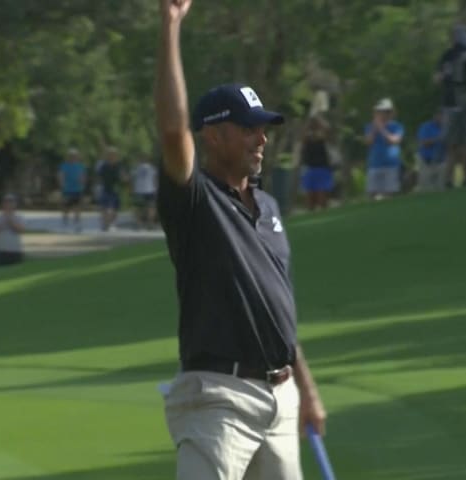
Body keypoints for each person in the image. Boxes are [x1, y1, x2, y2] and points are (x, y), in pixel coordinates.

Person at [154, 1, 326, 479]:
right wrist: (170, 25)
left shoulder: (268, 208)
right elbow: (172, 130)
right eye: (249, 128)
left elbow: (277, 309)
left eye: (264, 129)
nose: (261, 139)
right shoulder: (194, 202)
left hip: (281, 396)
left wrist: (306, 390)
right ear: (213, 135)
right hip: (219, 399)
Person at [436, 24, 466, 186]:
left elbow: (438, 78)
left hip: (451, 103)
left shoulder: (449, 55)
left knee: (451, 145)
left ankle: (449, 180)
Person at [364, 98, 404, 199]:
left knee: (389, 195)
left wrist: (381, 128)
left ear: (390, 113)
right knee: (372, 194)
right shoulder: (370, 127)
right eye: (379, 111)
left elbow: (393, 141)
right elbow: (368, 142)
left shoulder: (396, 126)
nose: (380, 114)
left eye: (384, 111)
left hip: (391, 165)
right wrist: (374, 128)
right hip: (374, 164)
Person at [300, 115, 334, 210]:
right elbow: (303, 134)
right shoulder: (307, 138)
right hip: (310, 169)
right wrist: (309, 122)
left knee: (322, 199)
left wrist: (319, 120)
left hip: (323, 168)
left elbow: (328, 130)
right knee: (309, 199)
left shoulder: (322, 138)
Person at [0, 193, 26, 266]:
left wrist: (11, 221)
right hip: (1, 250)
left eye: (11, 202)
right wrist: (4, 221)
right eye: (6, 202)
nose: (8, 204)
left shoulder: (19, 217)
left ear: (15, 204)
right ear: (3, 204)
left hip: (15, 250)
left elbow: (21, 231)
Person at [416, 109, 446, 191]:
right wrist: (438, 139)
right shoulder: (426, 127)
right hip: (426, 161)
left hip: (442, 161)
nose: (442, 118)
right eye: (440, 116)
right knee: (426, 188)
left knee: (441, 188)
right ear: (435, 116)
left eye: (444, 116)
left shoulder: (447, 128)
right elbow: (423, 143)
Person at [97, 146, 127, 231]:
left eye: (113, 154)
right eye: (110, 154)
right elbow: (99, 176)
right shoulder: (104, 166)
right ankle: (105, 224)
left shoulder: (119, 166)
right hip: (105, 189)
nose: (112, 156)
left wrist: (124, 179)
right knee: (105, 208)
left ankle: (108, 223)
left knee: (114, 209)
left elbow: (124, 177)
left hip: (115, 190)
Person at [57, 148, 86, 232]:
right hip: (67, 190)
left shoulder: (80, 166)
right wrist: (62, 184)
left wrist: (82, 183)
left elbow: (83, 176)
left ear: (77, 157)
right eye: (71, 156)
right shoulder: (64, 165)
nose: (73, 157)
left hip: (77, 190)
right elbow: (61, 175)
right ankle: (65, 223)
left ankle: (77, 224)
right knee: (66, 208)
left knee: (77, 208)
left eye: (74, 156)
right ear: (68, 156)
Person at [131, 156, 159, 229]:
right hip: (150, 190)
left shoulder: (136, 168)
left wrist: (132, 189)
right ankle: (150, 223)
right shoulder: (152, 168)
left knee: (138, 208)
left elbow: (132, 179)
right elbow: (155, 179)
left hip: (138, 190)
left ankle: (139, 224)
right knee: (151, 207)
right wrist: (156, 189)